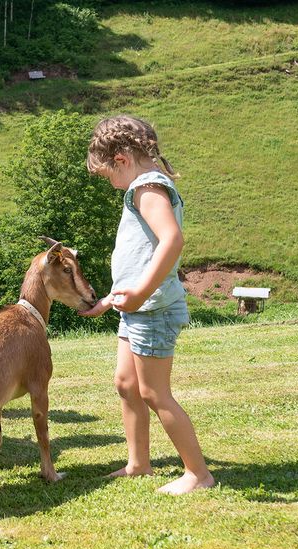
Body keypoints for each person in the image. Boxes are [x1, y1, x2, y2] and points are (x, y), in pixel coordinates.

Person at [79, 115, 214, 495]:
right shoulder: (143, 185)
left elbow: (171, 240)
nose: (110, 182)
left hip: (152, 308)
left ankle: (199, 474)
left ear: (120, 158)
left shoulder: (147, 187)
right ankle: (138, 464)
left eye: (107, 174)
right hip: (136, 306)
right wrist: (113, 299)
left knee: (155, 392)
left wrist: (139, 295)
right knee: (127, 383)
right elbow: (140, 257)